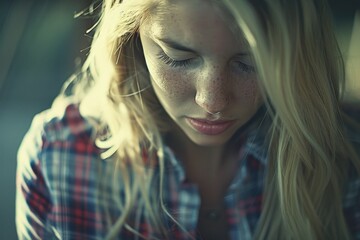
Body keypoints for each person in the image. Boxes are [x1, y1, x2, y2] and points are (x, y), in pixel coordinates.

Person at [16, 0, 360, 239]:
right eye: (178, 58)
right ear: (131, 38)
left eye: (249, 64)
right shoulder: (59, 158)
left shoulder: (343, 158)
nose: (212, 102)